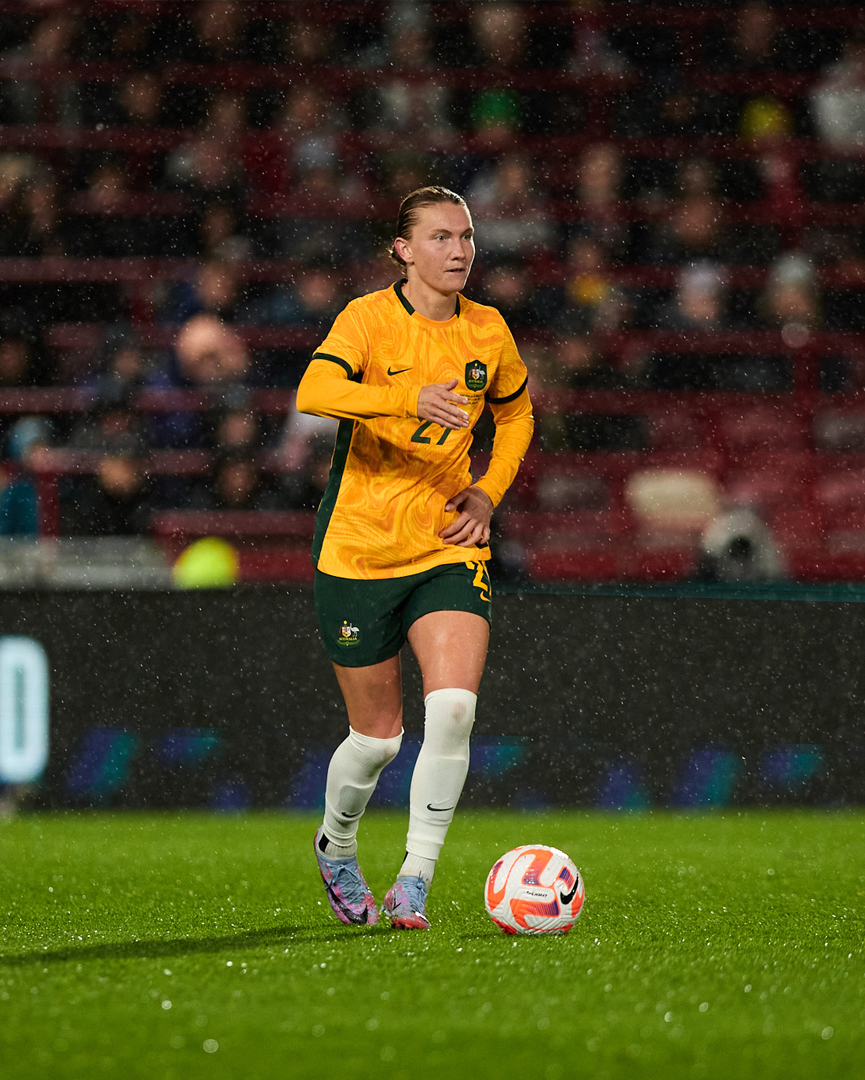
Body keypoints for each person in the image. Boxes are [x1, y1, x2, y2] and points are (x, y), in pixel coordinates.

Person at [294, 186, 533, 930]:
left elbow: (518, 411)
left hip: (444, 543)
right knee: (377, 741)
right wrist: (402, 402)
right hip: (359, 550)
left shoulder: (488, 330)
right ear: (402, 250)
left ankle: (416, 878)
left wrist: (489, 493)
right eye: (440, 237)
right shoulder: (367, 319)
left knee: (455, 710)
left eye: (466, 236)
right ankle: (336, 846)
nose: (459, 250)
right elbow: (313, 389)